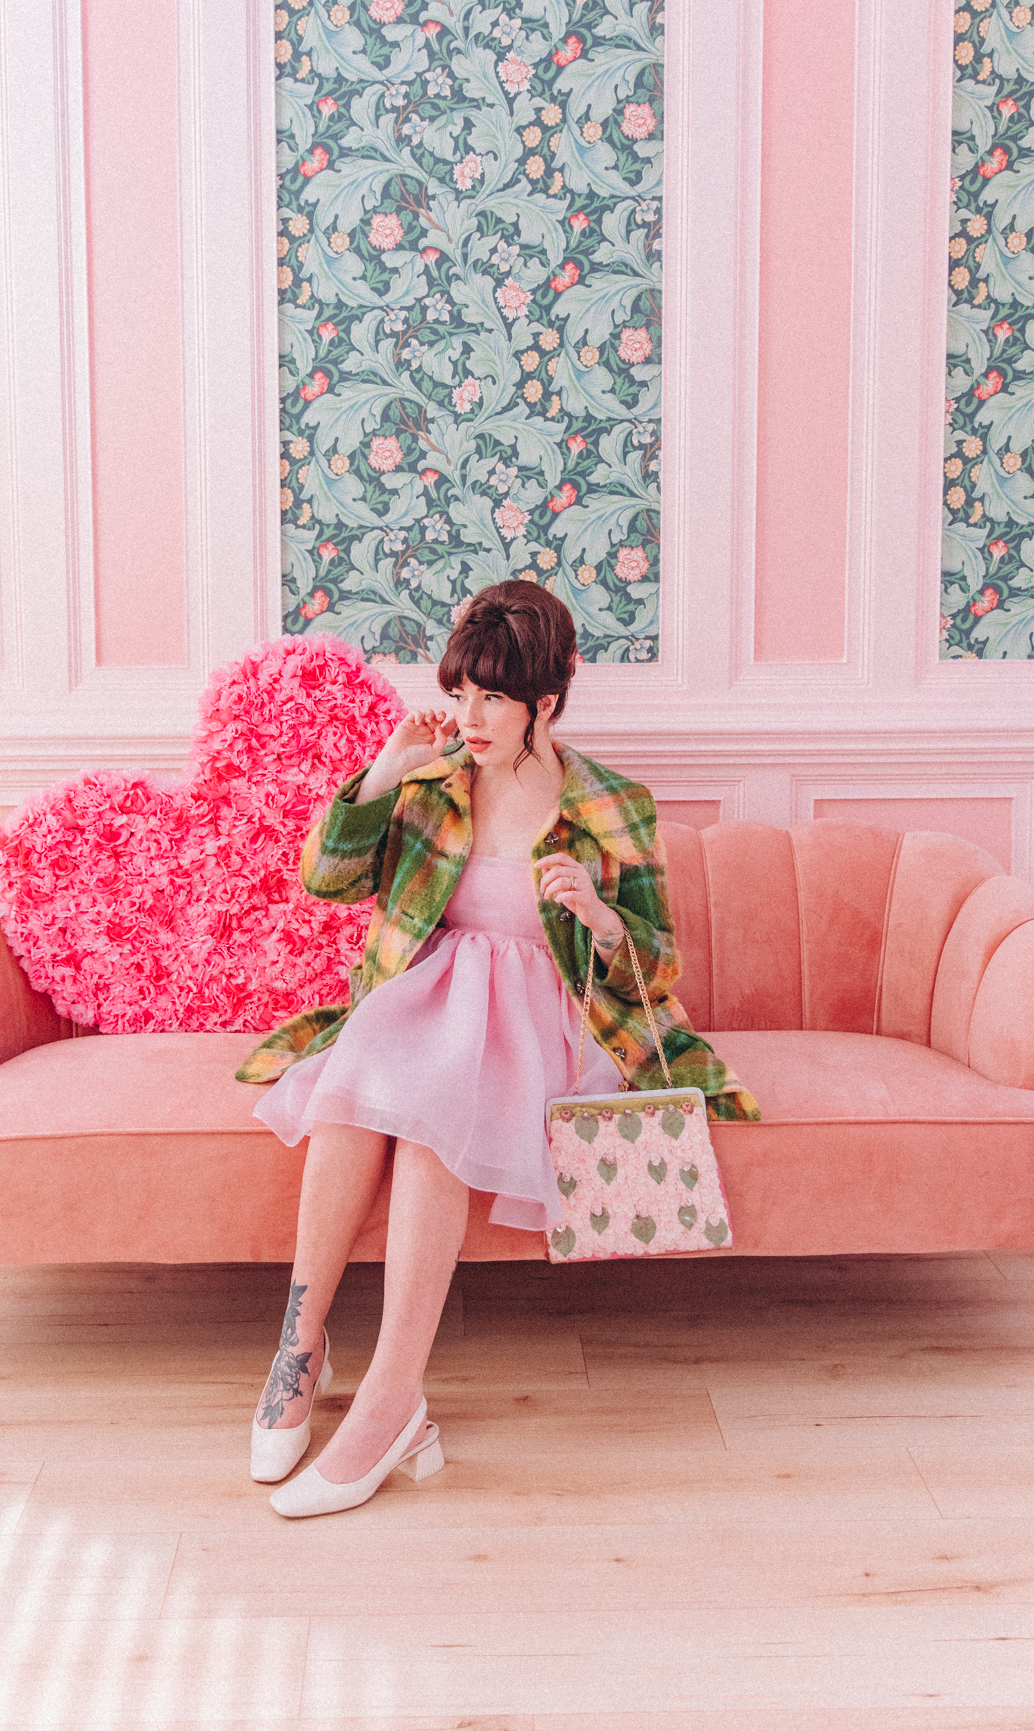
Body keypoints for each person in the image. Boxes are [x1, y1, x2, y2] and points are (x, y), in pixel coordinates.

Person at [235, 579, 756, 1518]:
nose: (470, 717)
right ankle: (301, 1345)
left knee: (436, 1110)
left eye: (495, 700)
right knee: (351, 1087)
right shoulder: (434, 778)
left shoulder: (609, 805)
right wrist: (386, 772)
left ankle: (393, 1398)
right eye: (462, 692)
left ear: (544, 704)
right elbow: (326, 879)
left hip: (547, 1020)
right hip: (427, 998)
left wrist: (598, 918)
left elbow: (657, 968)